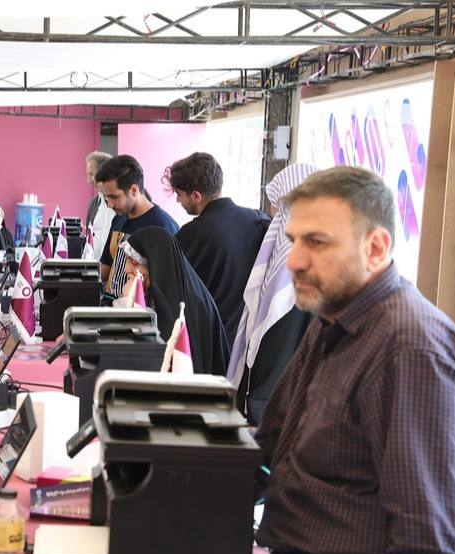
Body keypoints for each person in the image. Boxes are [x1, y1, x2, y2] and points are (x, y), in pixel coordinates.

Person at [255, 167, 455, 554]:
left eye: (317, 243)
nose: (294, 261)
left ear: (375, 249)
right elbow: (272, 444)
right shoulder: (331, 317)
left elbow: (426, 544)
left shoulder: (409, 350)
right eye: (294, 241)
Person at [227, 163, 317, 424]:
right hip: (272, 392)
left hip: (276, 393)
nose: (272, 212)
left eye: (276, 204)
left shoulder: (300, 262)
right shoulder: (284, 249)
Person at [168, 152, 271, 342]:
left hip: (209, 341)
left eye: (179, 195)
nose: (178, 201)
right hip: (250, 340)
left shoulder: (191, 235)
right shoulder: (259, 221)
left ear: (196, 196)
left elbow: (174, 292)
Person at [119, 227, 230, 376]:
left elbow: (161, 357)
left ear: (156, 264)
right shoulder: (162, 291)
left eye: (134, 262)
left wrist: (128, 301)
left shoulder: (190, 305)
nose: (126, 269)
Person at [96, 154, 179, 299]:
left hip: (139, 310)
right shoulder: (118, 220)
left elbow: (168, 285)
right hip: (110, 305)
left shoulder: (163, 227)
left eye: (114, 197)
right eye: (105, 198)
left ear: (134, 190)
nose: (109, 205)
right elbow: (106, 267)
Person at [85, 151, 114, 260]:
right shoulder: (94, 203)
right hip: (95, 265)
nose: (88, 180)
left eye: (91, 174)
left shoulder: (121, 203)